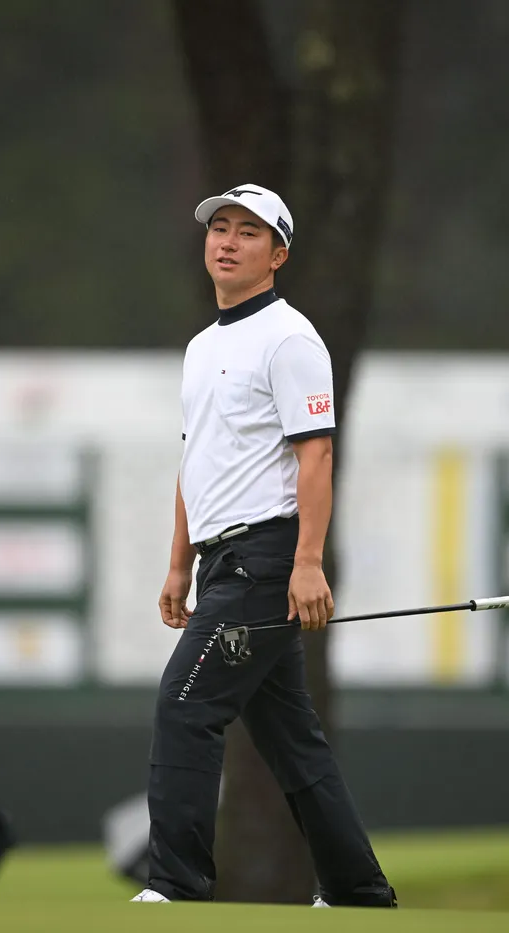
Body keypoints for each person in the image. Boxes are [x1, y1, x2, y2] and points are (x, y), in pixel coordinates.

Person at [133, 185, 396, 907]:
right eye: (219, 227)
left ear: (278, 254)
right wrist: (179, 563)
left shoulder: (290, 339)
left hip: (266, 560)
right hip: (221, 561)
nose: (227, 241)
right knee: (291, 740)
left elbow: (317, 455)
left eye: (248, 232)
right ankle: (358, 891)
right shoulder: (202, 347)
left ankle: (176, 886)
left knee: (186, 706)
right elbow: (196, 461)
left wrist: (307, 562)